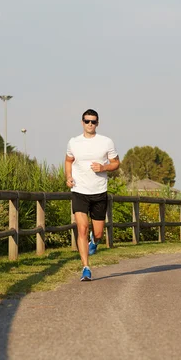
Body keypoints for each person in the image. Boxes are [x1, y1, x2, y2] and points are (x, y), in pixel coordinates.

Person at [65, 109, 120, 281]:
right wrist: (68, 177)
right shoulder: (73, 142)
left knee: (98, 233)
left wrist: (103, 168)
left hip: (99, 192)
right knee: (82, 228)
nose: (90, 124)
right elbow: (68, 160)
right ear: (82, 122)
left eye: (93, 121)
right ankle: (86, 268)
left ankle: (94, 242)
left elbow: (116, 163)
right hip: (79, 191)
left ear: (97, 123)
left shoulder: (106, 142)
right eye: (87, 121)